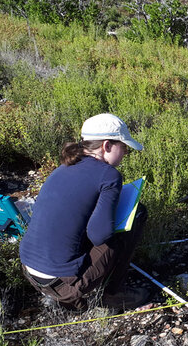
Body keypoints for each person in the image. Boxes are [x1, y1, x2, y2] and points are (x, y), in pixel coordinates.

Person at [19, 113, 150, 312]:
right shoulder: (109, 175)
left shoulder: (63, 167)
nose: (124, 153)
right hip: (62, 284)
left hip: (31, 273)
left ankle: (68, 298)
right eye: (123, 147)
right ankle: (114, 295)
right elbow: (99, 235)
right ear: (107, 146)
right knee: (136, 214)